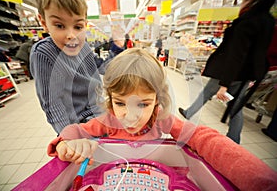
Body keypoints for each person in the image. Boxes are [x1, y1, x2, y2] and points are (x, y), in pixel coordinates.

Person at [47, 48, 277, 191]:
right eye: (120, 103)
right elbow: (75, 131)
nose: (130, 115)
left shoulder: (162, 120)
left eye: (143, 104)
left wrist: (260, 181)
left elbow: (202, 137)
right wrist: (66, 144)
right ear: (110, 101)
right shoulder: (107, 120)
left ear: (157, 101)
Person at [178, 0, 276, 144]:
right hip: (247, 74)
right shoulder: (268, 21)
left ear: (251, 0)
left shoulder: (247, 22)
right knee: (235, 105)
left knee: (209, 94)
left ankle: (191, 113)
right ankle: (233, 137)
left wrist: (225, 84)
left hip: (231, 73)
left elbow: (236, 55)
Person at [31, 0, 123, 134]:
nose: (71, 35)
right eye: (59, 25)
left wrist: (117, 47)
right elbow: (52, 103)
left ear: (85, 25)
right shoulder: (44, 53)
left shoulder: (84, 46)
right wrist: (69, 137)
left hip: (101, 115)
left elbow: (104, 68)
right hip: (79, 126)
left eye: (78, 27)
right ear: (44, 23)